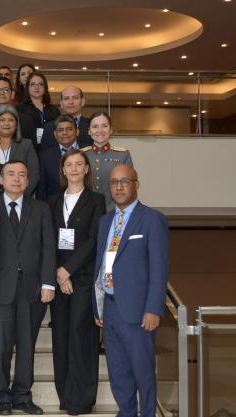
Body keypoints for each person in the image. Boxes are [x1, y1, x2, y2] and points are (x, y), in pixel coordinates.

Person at [93, 164, 169, 417]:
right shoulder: (105, 222)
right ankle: (126, 412)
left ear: (136, 184)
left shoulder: (151, 219)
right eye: (114, 182)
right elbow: (100, 265)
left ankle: (147, 413)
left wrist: (153, 308)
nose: (119, 187)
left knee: (143, 371)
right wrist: (99, 306)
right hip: (111, 308)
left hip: (138, 311)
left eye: (125, 181)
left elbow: (159, 268)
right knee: (118, 370)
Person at [0, 160, 56, 416]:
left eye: (22, 175)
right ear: (1, 180)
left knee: (27, 345)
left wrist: (48, 282)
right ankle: (2, 396)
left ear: (28, 181)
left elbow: (49, 247)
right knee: (1, 346)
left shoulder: (41, 209)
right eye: (11, 174)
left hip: (33, 288)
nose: (16, 179)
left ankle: (23, 395)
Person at [48, 150, 105, 415]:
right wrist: (59, 274)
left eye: (78, 164)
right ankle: (65, 396)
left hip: (82, 278)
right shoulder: (52, 200)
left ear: (86, 170)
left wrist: (68, 270)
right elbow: (47, 241)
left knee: (81, 338)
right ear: (63, 170)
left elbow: (94, 240)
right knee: (61, 337)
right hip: (59, 280)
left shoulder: (96, 200)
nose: (73, 168)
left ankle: (82, 400)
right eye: (68, 164)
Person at [81, 112, 133, 211]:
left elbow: (128, 186)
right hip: (85, 211)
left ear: (111, 130)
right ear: (89, 131)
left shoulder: (122, 155)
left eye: (104, 126)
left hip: (113, 210)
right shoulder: (81, 155)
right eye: (95, 127)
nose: (100, 130)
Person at [0, 106, 40, 195]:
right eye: (2, 120)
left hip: (20, 198)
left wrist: (20, 197)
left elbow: (34, 175)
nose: (6, 123)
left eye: (11, 120)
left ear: (16, 124)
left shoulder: (26, 145)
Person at [36, 115, 81, 201]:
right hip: (54, 209)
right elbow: (42, 188)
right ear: (55, 134)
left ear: (77, 132)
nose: (65, 133)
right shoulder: (44, 157)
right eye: (60, 130)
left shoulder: (87, 152)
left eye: (69, 129)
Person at [40, 86, 93, 151]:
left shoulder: (92, 125)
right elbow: (45, 155)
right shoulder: (49, 127)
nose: (70, 102)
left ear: (82, 101)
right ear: (61, 103)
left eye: (75, 98)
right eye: (66, 98)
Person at [16, 72, 61, 146]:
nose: (37, 87)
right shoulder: (20, 109)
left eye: (40, 84)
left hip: (50, 149)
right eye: (33, 84)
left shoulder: (54, 110)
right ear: (28, 88)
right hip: (28, 150)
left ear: (45, 88)